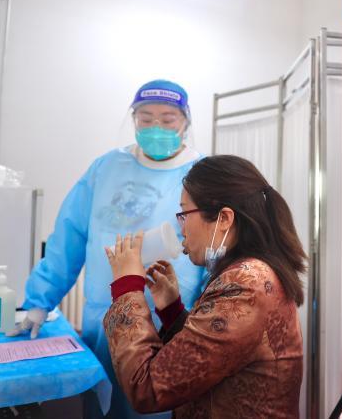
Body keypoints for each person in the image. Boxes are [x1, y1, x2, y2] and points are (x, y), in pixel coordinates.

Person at [9, 79, 209, 418]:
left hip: (169, 325)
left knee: (155, 404)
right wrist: (39, 301)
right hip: (102, 321)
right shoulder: (106, 169)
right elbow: (68, 239)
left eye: (167, 119)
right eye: (146, 119)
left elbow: (215, 253)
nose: (156, 127)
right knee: (103, 405)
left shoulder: (201, 176)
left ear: (185, 121)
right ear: (133, 120)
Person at [103, 155, 305, 418]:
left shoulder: (246, 285)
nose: (181, 229)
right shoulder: (253, 273)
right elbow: (210, 358)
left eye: (184, 214)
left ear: (224, 218)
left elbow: (147, 388)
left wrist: (127, 287)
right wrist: (173, 312)